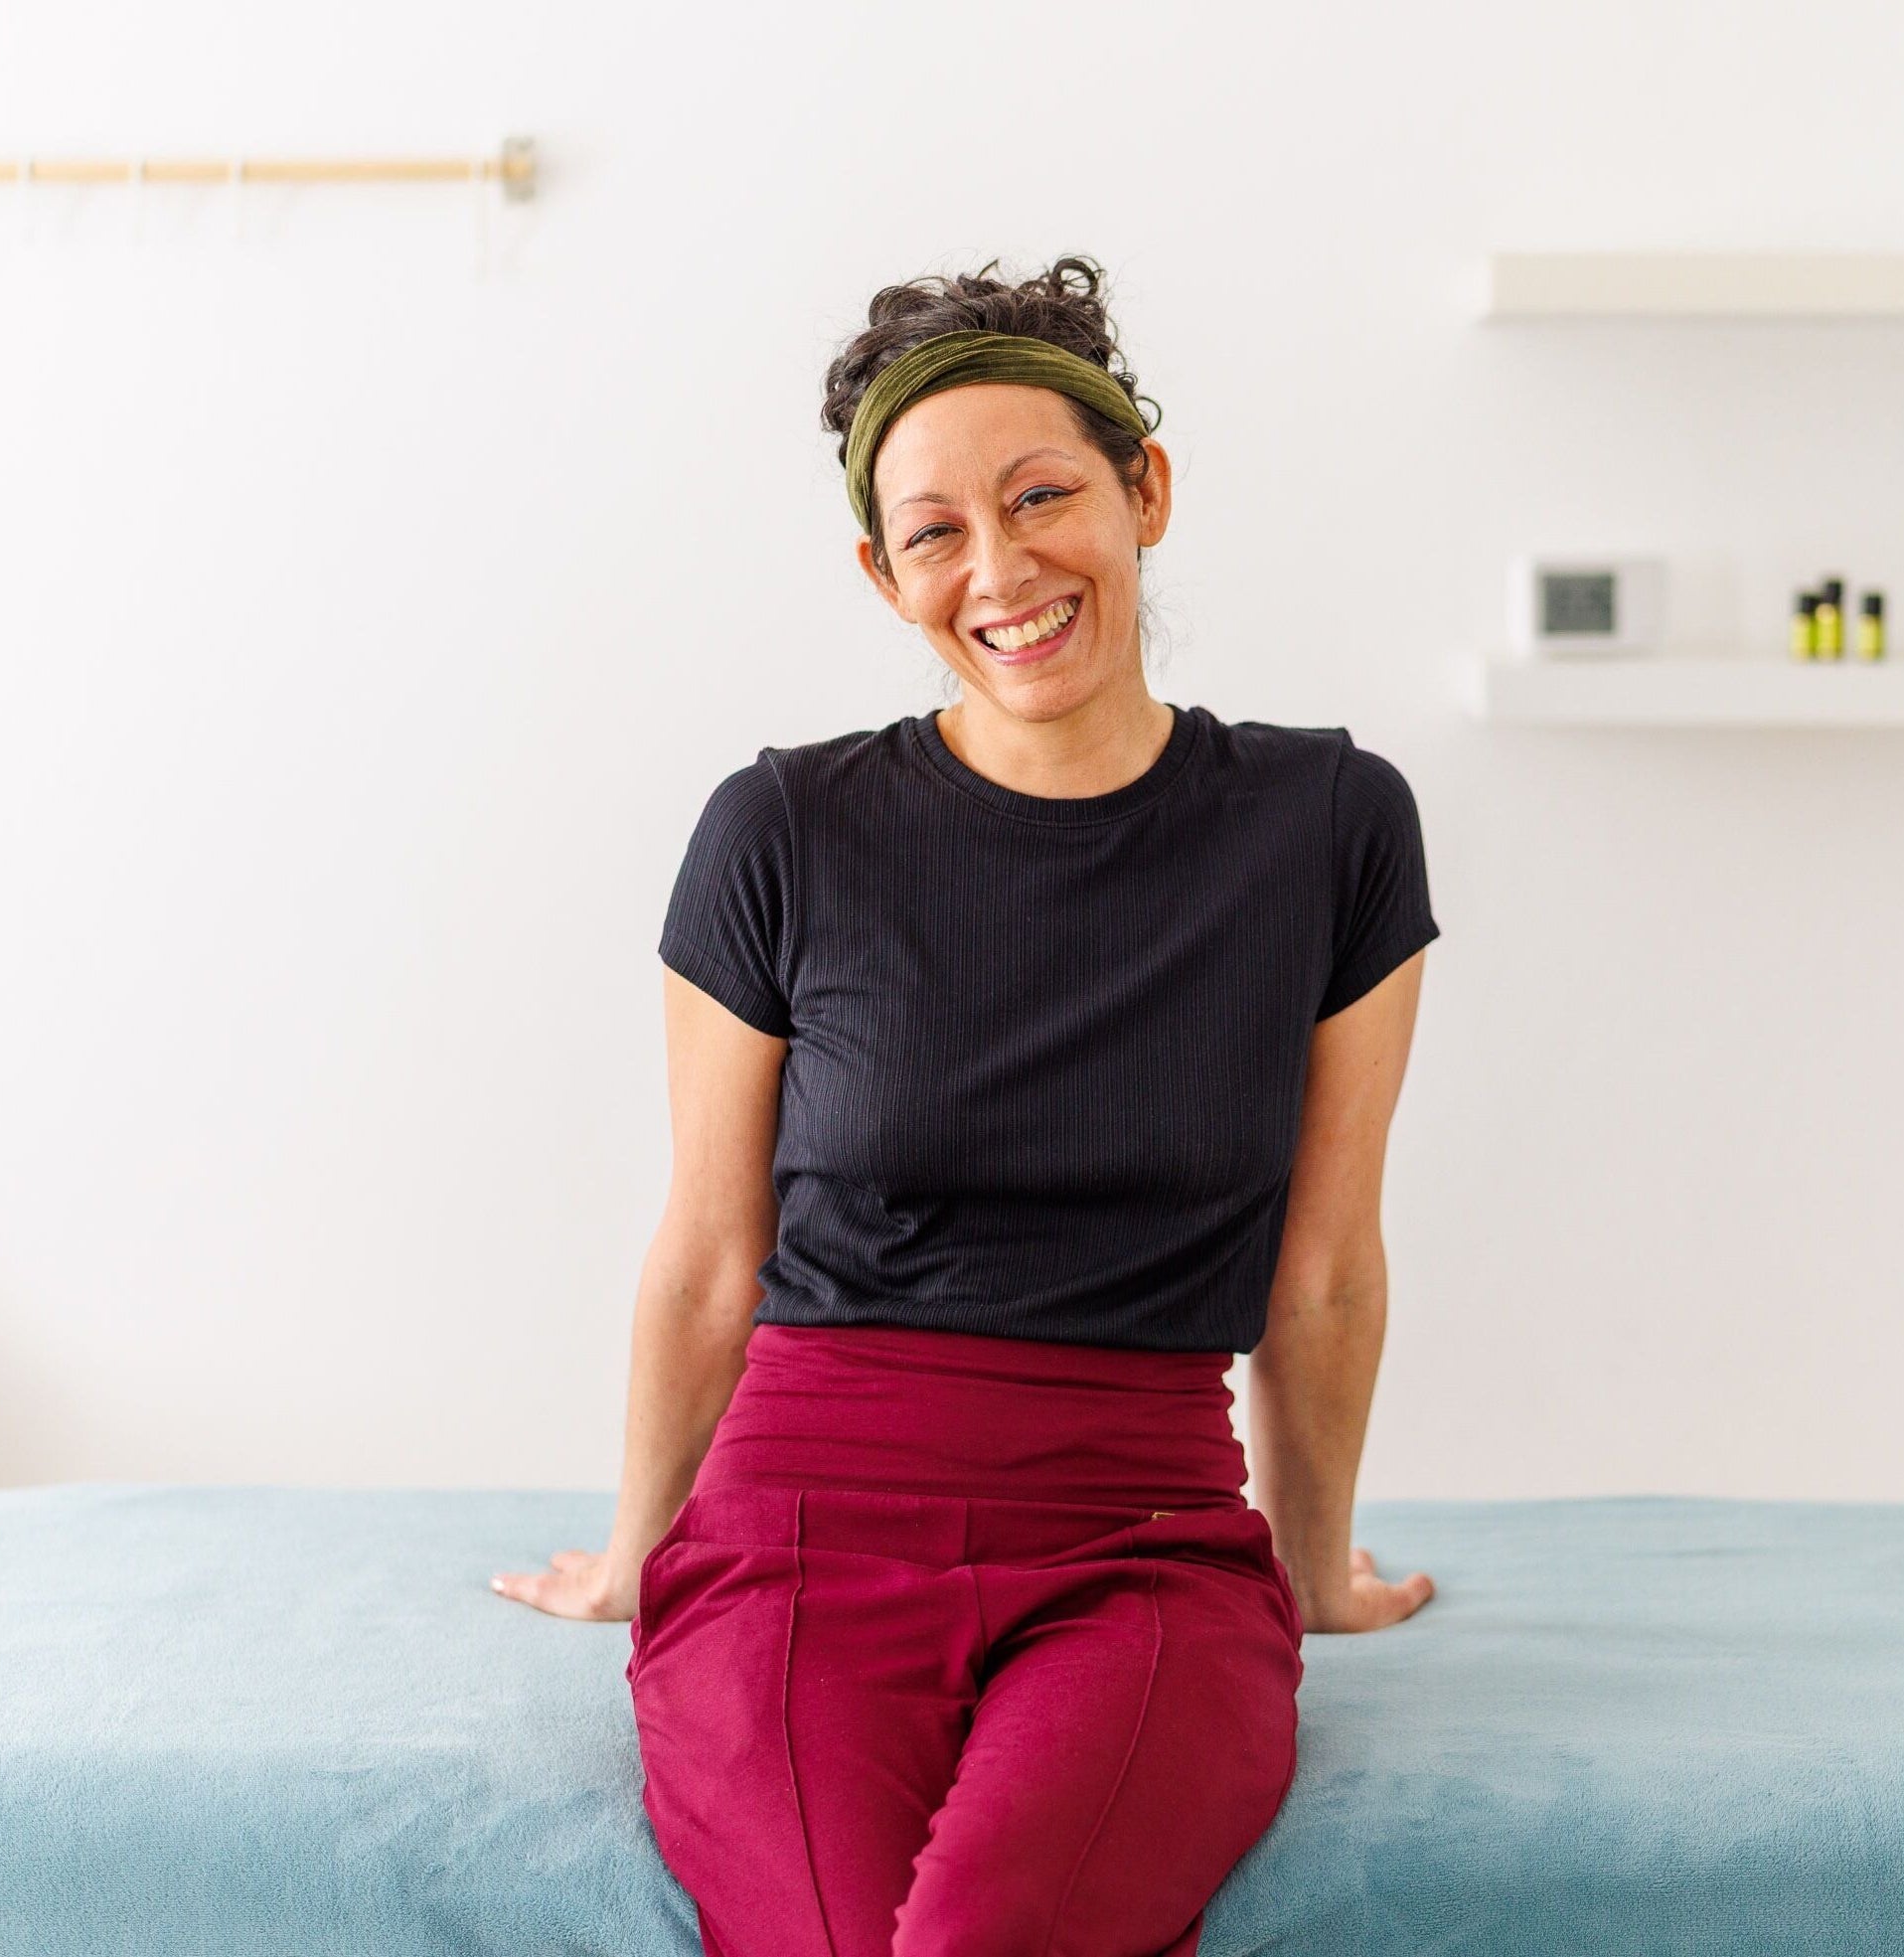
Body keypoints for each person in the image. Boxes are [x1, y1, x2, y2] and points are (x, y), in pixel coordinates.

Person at [494, 255, 1438, 1957]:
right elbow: (710, 1254)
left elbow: (1324, 1272)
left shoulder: (1330, 825)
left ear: (1146, 491)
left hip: (1144, 1544)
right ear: (885, 574)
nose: (1001, 570)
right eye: (935, 532)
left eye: (1043, 496)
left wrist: (1318, 1572)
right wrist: (638, 1549)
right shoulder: (782, 832)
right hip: (797, 1535)